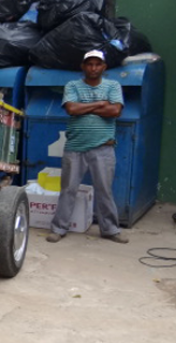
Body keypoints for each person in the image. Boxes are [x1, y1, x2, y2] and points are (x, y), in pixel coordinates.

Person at [46, 50, 128, 244]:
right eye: (89, 64)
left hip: (103, 148)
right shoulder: (73, 85)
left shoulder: (113, 85)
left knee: (104, 190)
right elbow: (71, 109)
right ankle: (58, 228)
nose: (93, 68)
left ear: (104, 67)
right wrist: (100, 103)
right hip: (75, 147)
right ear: (83, 67)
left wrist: (86, 106)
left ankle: (110, 230)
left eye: (97, 64)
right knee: (68, 189)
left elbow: (115, 110)